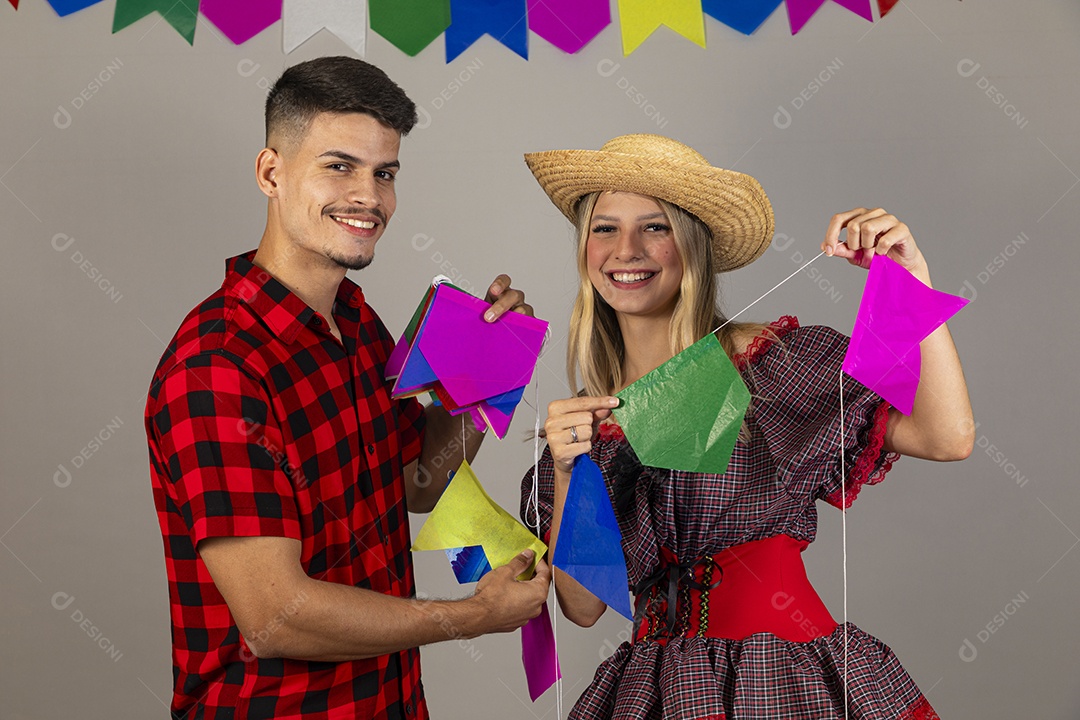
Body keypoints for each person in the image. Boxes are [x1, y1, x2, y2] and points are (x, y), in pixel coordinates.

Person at [144, 56, 551, 720]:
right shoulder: (217, 365)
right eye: (340, 166)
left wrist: (475, 375)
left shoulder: (358, 326)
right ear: (271, 173)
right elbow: (276, 617)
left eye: (384, 173)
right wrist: (471, 616)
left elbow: (421, 482)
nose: (369, 196)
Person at [519, 134, 973, 719]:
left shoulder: (767, 365)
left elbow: (947, 435)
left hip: (782, 677)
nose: (625, 250)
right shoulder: (584, 424)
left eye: (654, 227)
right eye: (604, 228)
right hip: (655, 694)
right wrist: (565, 467)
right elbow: (582, 607)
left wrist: (912, 278)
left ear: (693, 247)